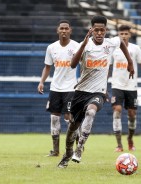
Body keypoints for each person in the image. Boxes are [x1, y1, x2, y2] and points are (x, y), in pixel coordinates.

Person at [57, 15, 135, 168]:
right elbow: (73, 65)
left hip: (98, 93)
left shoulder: (110, 43)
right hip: (80, 92)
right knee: (73, 127)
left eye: (102, 30)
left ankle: (79, 148)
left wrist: (130, 62)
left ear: (106, 30)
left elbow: (121, 43)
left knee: (91, 112)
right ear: (91, 30)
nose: (99, 33)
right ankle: (67, 154)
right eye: (96, 30)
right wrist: (83, 44)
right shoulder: (84, 45)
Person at [37, 20, 80, 157]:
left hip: (70, 88)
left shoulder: (76, 46)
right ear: (57, 30)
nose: (64, 31)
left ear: (70, 30)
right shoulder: (51, 48)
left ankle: (74, 146)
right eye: (61, 28)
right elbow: (47, 67)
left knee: (69, 117)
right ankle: (55, 150)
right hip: (55, 87)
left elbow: (83, 65)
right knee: (54, 118)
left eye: (66, 28)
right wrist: (42, 82)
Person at [111, 25, 141, 152]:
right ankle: (119, 144)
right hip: (117, 85)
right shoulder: (114, 49)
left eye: (125, 33)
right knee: (117, 109)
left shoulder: (135, 49)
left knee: (132, 114)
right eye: (121, 33)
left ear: (130, 35)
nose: (123, 36)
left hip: (131, 86)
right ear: (118, 34)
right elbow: (107, 67)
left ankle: (130, 138)